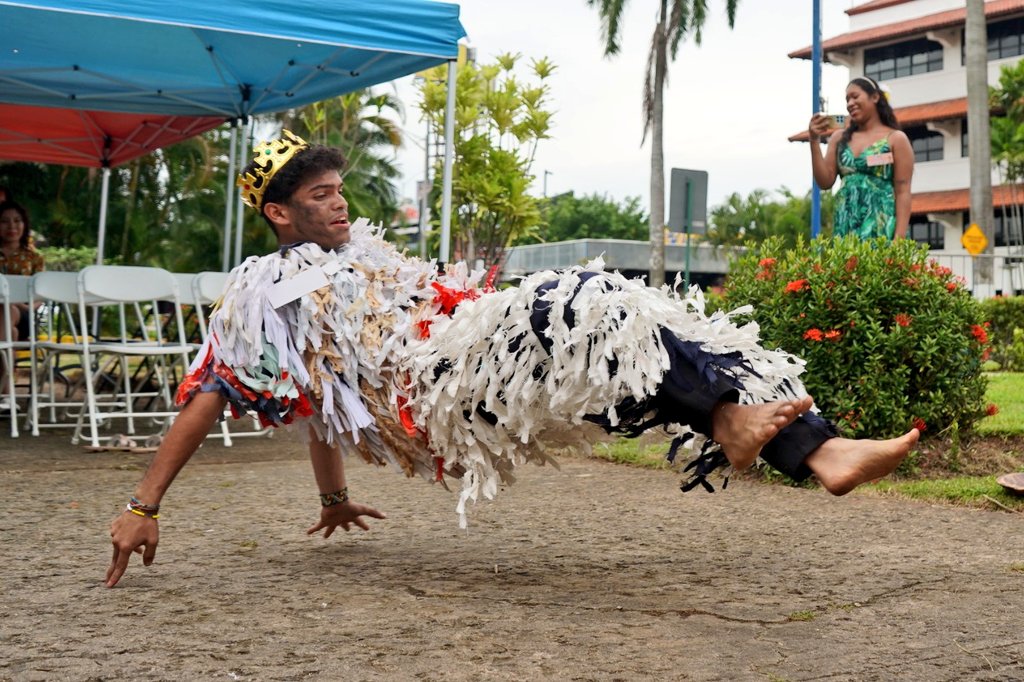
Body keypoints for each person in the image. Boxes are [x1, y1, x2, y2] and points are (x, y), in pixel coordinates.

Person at [106, 131, 919, 588]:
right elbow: (217, 394)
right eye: (318, 195)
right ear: (278, 213)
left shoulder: (364, 257)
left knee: (643, 332)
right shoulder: (259, 291)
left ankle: (813, 448)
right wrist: (143, 507)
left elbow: (323, 398)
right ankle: (736, 421)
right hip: (438, 389)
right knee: (583, 300)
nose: (339, 201)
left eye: (338, 188)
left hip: (473, 354)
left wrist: (335, 495)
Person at [808, 77, 914, 240]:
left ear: (875, 97)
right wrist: (814, 140)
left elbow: (903, 192)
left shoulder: (895, 139)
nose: (850, 103)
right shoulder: (839, 138)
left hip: (882, 228)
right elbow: (825, 182)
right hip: (846, 226)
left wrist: (898, 240)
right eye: (847, 99)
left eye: (855, 96)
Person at [0, 200, 44, 411]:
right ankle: (7, 393)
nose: (12, 227)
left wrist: (25, 305)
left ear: (24, 225)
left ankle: (6, 390)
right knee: (11, 333)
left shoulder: (34, 257)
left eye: (17, 221)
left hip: (26, 314)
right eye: (5, 222)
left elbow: (42, 293)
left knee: (8, 310)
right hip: (7, 322)